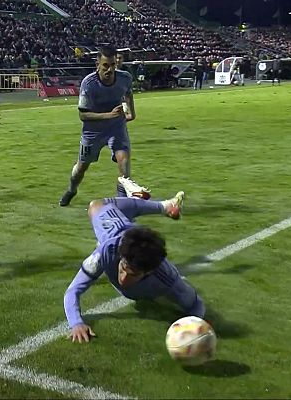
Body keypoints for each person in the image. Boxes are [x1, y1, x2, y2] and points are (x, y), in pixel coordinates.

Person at [65, 178, 205, 343]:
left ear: (149, 271)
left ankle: (136, 199)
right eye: (123, 267)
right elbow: (72, 291)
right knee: (94, 205)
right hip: (110, 222)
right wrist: (76, 323)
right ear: (120, 256)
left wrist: (194, 327)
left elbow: (196, 304)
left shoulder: (167, 277)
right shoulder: (105, 252)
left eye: (133, 274)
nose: (123, 278)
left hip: (124, 233)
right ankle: (164, 206)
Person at [59, 46, 149, 207]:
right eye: (105, 65)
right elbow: (83, 115)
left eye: (113, 65)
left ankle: (122, 203)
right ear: (97, 64)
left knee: (124, 161)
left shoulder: (124, 78)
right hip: (93, 131)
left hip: (116, 127)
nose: (110, 69)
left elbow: (128, 93)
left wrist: (132, 113)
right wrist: (109, 115)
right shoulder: (89, 83)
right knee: (81, 167)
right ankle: (71, 190)